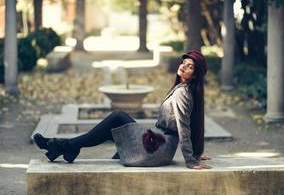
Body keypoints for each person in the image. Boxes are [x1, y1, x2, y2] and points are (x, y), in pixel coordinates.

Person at [34, 50, 211, 170]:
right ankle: (64, 147)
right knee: (115, 128)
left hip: (157, 149)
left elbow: (184, 126)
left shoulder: (182, 93)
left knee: (118, 117)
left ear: (195, 75)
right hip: (157, 144)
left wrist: (190, 160)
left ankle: (66, 146)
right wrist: (196, 153)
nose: (183, 66)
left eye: (190, 66)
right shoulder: (182, 88)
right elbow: (194, 123)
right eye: (184, 62)